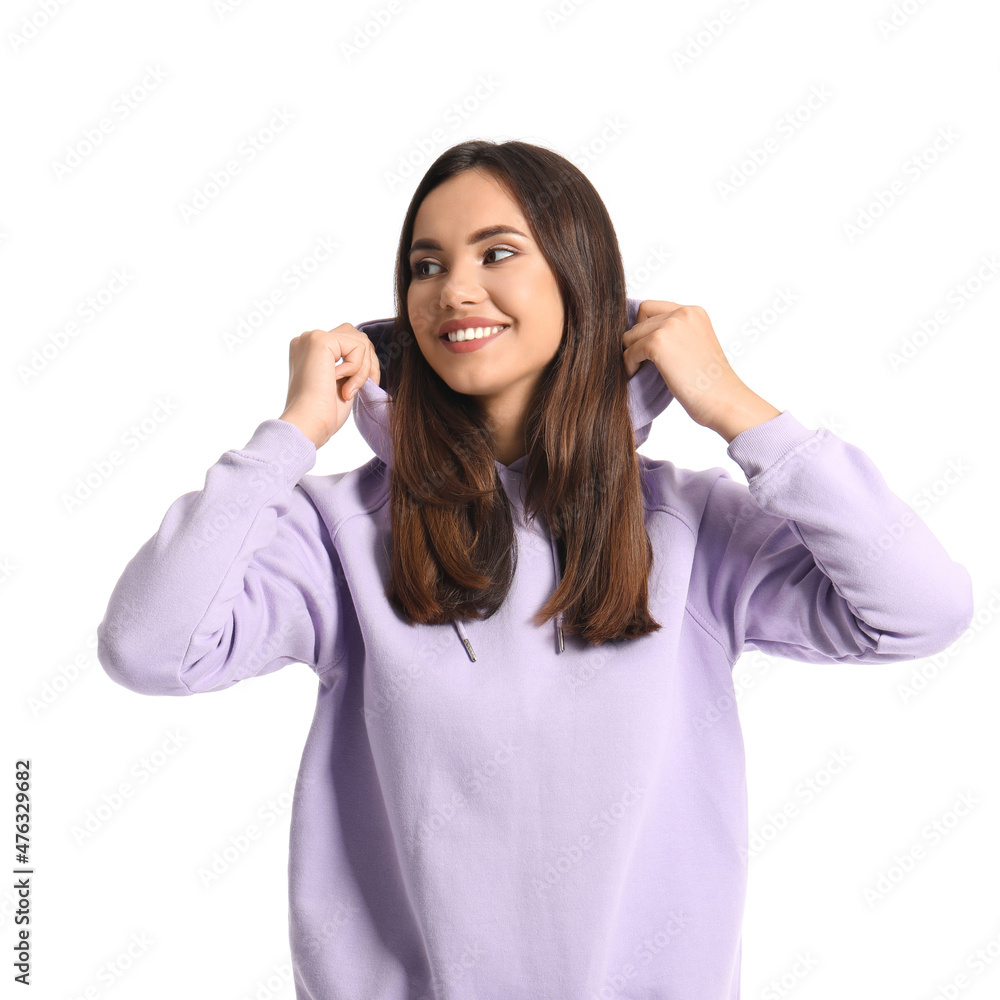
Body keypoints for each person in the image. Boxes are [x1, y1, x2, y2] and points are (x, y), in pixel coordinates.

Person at [97, 139, 974, 999]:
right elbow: (148, 649)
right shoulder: (337, 530)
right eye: (426, 265)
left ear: (580, 278)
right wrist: (290, 436)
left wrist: (732, 404)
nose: (453, 290)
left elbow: (922, 610)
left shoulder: (689, 525)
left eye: (498, 252)